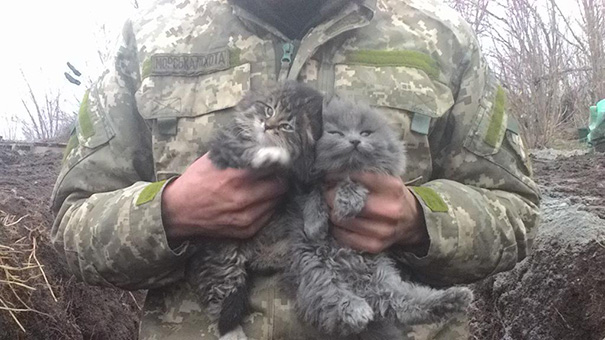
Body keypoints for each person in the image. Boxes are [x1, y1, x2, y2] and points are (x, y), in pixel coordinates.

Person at [51, 0, 541, 339]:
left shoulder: (441, 38)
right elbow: (71, 225)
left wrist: (420, 220)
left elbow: (517, 212)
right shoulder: (151, 39)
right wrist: (171, 211)